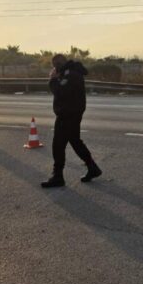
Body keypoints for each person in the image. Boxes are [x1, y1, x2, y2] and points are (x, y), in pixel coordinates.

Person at [41, 54, 102, 188]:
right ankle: (92, 167)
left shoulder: (70, 74)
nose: (54, 69)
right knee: (75, 141)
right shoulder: (70, 72)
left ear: (57, 65)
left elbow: (60, 91)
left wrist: (52, 80)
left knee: (58, 145)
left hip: (67, 114)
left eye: (54, 66)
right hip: (72, 112)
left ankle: (58, 176)